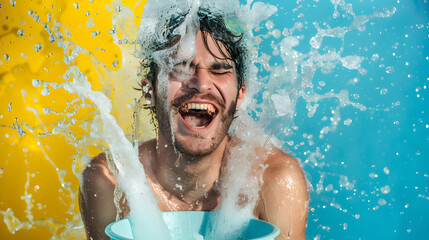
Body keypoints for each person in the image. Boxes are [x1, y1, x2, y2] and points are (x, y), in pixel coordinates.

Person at [79, 6, 309, 240]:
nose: (201, 84)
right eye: (180, 68)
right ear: (149, 91)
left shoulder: (273, 181)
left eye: (219, 71)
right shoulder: (111, 181)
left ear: (240, 94)